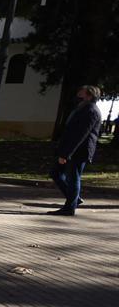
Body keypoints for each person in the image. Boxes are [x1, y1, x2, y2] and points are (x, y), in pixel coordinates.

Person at [48, 85, 103, 216]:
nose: (78, 95)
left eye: (81, 93)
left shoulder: (91, 110)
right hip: (71, 150)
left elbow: (80, 135)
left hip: (79, 151)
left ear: (89, 96)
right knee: (56, 173)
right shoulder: (82, 108)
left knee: (73, 178)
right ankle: (75, 199)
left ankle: (69, 208)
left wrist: (66, 154)